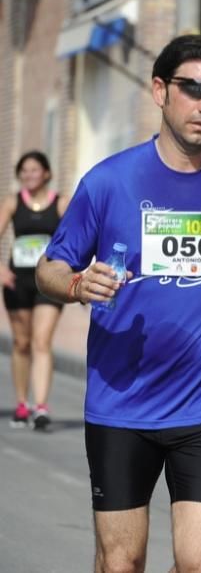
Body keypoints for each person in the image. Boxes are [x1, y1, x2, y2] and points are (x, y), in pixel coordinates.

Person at [36, 34, 201, 573]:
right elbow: (49, 268)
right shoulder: (109, 181)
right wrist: (78, 285)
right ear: (160, 90)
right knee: (121, 562)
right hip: (121, 401)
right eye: (192, 89)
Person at [0, 151, 69, 430]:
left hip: (49, 281)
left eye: (34, 170)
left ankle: (40, 406)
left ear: (47, 173)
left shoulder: (61, 203)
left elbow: (78, 235)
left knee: (41, 340)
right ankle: (21, 403)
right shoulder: (13, 202)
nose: (28, 175)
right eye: (23, 171)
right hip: (17, 281)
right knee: (22, 343)